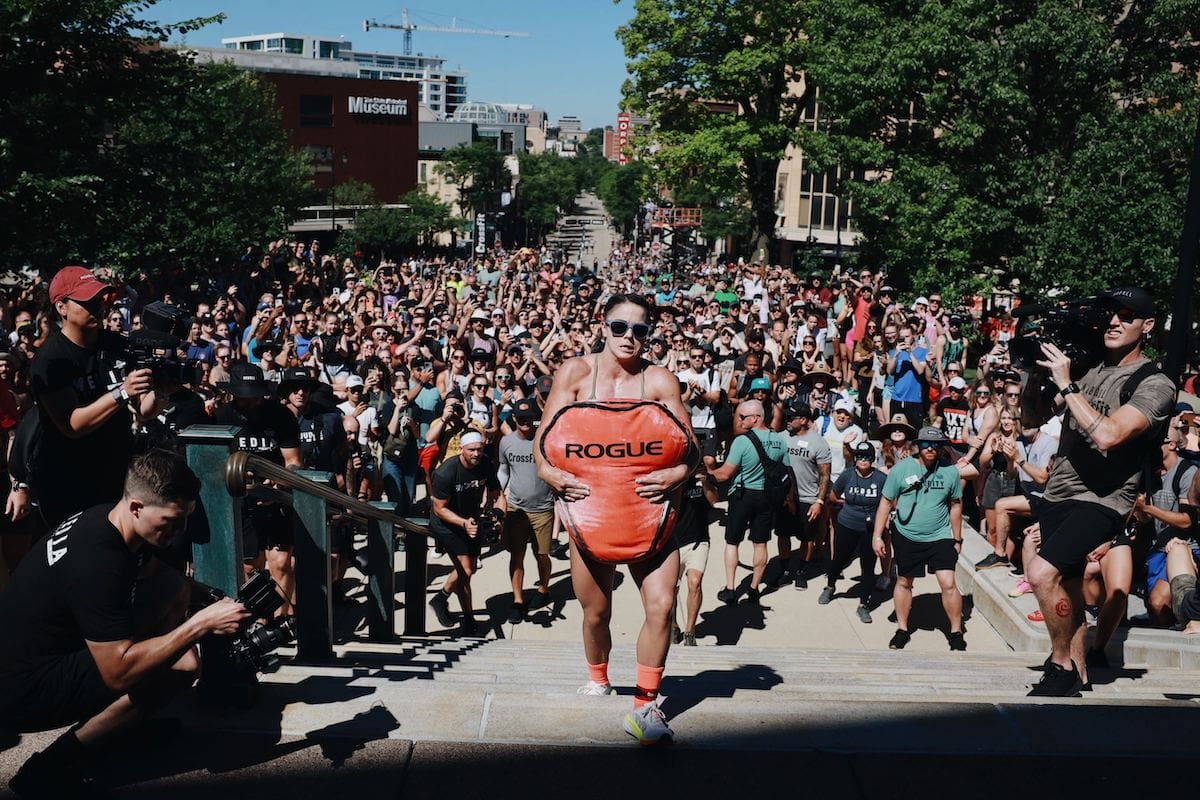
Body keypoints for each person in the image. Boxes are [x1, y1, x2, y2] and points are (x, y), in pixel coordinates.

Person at [0, 450, 250, 797]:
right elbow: (116, 672)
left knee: (173, 586)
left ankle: (121, 726)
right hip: (20, 691)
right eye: (172, 521)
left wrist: (214, 598)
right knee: (181, 666)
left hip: (34, 655)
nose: (180, 531)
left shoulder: (107, 520)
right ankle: (50, 766)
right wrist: (199, 625)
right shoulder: (98, 561)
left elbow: (159, 576)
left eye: (186, 519)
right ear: (136, 507)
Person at [534, 293, 693, 746]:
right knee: (596, 612)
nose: (630, 338)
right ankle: (598, 675)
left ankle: (645, 708)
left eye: (640, 330)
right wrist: (552, 476)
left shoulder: (660, 380)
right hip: (589, 514)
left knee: (663, 605)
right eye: (620, 327)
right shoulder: (576, 373)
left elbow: (692, 451)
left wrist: (678, 472)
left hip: (654, 515)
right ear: (603, 327)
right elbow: (542, 444)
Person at [1023, 287, 1176, 696]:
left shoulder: (1155, 382)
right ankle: (1079, 675)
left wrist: (1067, 385)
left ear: (1147, 326)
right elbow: (1032, 418)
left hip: (1104, 499)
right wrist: (1036, 371)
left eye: (1127, 315)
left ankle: (1060, 664)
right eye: (1110, 314)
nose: (1114, 322)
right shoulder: (1087, 368)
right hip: (1058, 492)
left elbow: (1109, 435)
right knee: (1069, 588)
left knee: (1040, 573)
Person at [30, 267, 156, 528]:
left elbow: (143, 410)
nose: (97, 306)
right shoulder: (51, 359)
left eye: (99, 299)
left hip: (116, 472)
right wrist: (122, 392)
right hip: (69, 481)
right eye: (87, 301)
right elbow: (72, 425)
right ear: (62, 307)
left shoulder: (116, 345)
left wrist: (161, 391)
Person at [872, 426, 966, 651]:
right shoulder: (901, 470)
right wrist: (877, 536)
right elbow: (886, 502)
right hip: (907, 534)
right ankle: (902, 629)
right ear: (918, 445)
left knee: (948, 583)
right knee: (904, 581)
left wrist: (957, 538)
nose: (930, 449)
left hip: (940, 535)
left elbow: (955, 504)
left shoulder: (950, 471)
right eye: (925, 444)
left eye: (935, 444)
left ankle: (956, 632)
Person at [711, 399, 788, 604]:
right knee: (760, 543)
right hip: (768, 498)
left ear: (756, 418)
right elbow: (786, 471)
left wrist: (707, 475)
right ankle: (754, 588)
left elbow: (725, 473)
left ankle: (730, 588)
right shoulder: (780, 440)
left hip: (743, 496)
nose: (739, 420)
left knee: (732, 542)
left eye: (743, 417)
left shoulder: (742, 441)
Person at [427, 431, 502, 635]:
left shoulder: (485, 463)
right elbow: (439, 509)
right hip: (448, 523)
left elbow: (497, 492)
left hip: (471, 517)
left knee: (469, 571)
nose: (476, 454)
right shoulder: (446, 473)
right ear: (462, 449)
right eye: (471, 450)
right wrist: (463, 523)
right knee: (466, 570)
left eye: (479, 449)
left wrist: (498, 516)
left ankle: (446, 603)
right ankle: (462, 615)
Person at [497, 397, 555, 623]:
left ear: (535, 417)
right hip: (516, 509)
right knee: (516, 555)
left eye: (529, 418)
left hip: (543, 508)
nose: (525, 422)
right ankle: (518, 601)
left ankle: (543, 589)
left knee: (542, 554)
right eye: (521, 418)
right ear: (514, 418)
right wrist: (495, 492)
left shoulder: (546, 440)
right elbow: (504, 470)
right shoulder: (506, 443)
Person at [823, 441, 887, 622]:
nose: (863, 460)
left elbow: (890, 502)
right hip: (847, 524)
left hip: (870, 529)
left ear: (872, 459)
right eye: (859, 456)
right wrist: (847, 505)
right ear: (855, 458)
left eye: (867, 457)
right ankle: (829, 587)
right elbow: (834, 496)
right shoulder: (848, 475)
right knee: (839, 559)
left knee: (868, 566)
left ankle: (863, 604)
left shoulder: (881, 479)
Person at [779, 404, 831, 590]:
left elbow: (825, 475)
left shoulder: (818, 443)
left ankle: (802, 571)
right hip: (786, 497)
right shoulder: (781, 437)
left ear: (802, 420)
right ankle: (785, 570)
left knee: (806, 537)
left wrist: (819, 502)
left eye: (790, 418)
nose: (787, 421)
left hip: (808, 498)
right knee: (783, 534)